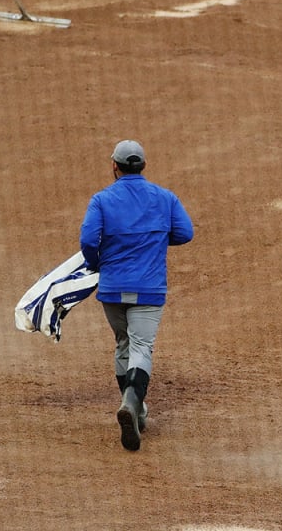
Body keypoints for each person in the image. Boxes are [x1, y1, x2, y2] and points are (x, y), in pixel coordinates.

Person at [80, 140, 194, 451]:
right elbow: (185, 233)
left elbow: (89, 239)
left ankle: (135, 409)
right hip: (149, 288)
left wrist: (95, 262)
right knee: (142, 346)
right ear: (143, 165)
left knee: (123, 342)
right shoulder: (164, 198)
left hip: (113, 289)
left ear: (114, 166)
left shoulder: (101, 200)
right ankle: (133, 404)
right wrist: (153, 239)